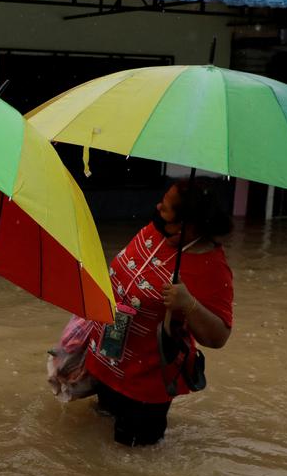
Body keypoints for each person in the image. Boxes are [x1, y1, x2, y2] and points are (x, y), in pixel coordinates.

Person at [75, 176, 234, 446]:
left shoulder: (211, 266)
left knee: (129, 464)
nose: (159, 206)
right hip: (108, 364)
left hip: (145, 386)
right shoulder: (156, 231)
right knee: (94, 442)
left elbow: (218, 336)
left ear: (189, 224)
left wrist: (189, 304)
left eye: (168, 207)